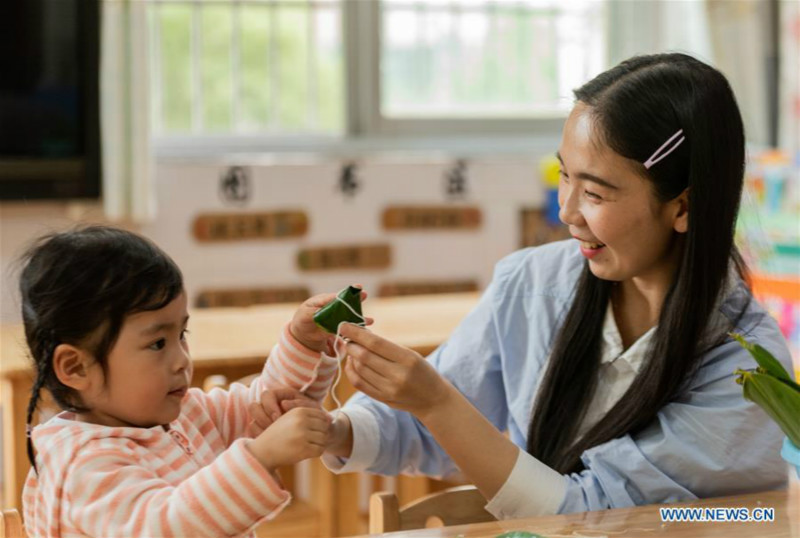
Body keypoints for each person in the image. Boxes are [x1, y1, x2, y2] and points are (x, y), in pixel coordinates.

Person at [275, 53, 793, 517]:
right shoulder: (533, 284)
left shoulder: (746, 371)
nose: (567, 212)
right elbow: (432, 423)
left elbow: (589, 517)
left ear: (683, 205)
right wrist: (335, 428)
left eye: (594, 192)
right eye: (565, 176)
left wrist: (435, 401)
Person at [19, 226, 368, 537]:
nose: (182, 359)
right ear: (77, 367)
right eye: (157, 343)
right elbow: (164, 527)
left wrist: (304, 344)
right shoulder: (82, 465)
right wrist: (260, 457)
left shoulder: (186, 414)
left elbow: (268, 407)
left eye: (181, 334)